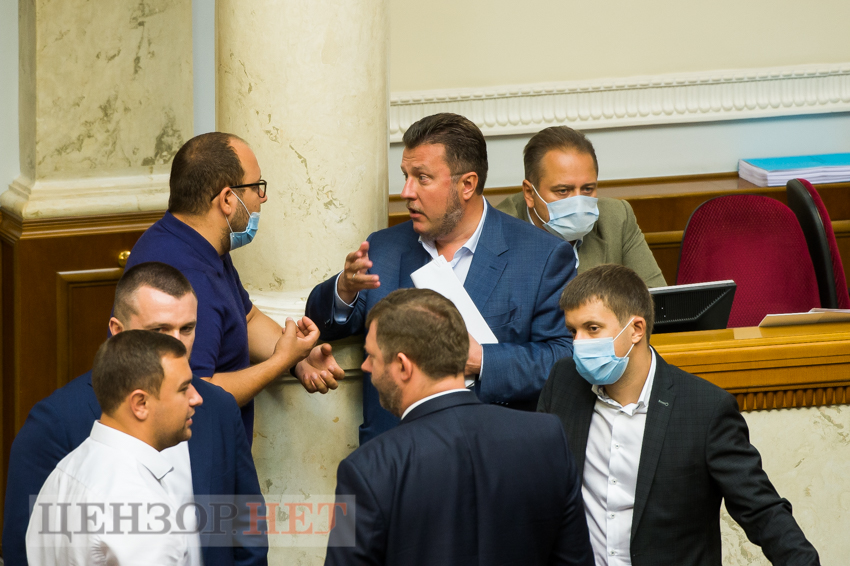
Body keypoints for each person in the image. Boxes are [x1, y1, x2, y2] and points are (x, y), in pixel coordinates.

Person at [307, 113, 576, 444]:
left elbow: (563, 359)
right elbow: (319, 323)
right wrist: (344, 290)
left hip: (489, 451)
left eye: (422, 178)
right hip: (394, 452)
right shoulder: (384, 248)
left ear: (467, 185)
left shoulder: (542, 256)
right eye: (406, 176)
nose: (406, 192)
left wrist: (483, 361)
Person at [537, 264, 820, 566]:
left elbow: (761, 510)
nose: (578, 343)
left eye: (592, 328)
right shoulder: (564, 383)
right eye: (573, 331)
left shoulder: (705, 409)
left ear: (636, 329)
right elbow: (538, 483)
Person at [4, 262, 268, 566]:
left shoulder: (217, 406)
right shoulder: (54, 422)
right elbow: (25, 550)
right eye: (159, 331)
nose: (178, 344)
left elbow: (246, 525)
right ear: (117, 331)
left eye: (187, 328)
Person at [324, 289, 593, 566]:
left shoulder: (363, 469)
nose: (365, 366)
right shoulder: (547, 437)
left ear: (403, 365)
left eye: (371, 356)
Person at [123, 132, 344, 441]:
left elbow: (246, 318)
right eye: (256, 187)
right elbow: (197, 391)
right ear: (228, 199)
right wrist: (280, 362)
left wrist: (298, 357)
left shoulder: (193, 240)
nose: (262, 198)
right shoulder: (187, 278)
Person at [26, 330, 202, 564]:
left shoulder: (64, 472)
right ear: (140, 404)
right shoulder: (143, 509)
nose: (197, 398)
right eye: (184, 388)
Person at [496, 126, 666, 287]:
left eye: (587, 189)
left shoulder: (617, 217)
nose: (578, 202)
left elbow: (655, 299)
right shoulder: (497, 232)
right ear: (529, 193)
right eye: (563, 191)